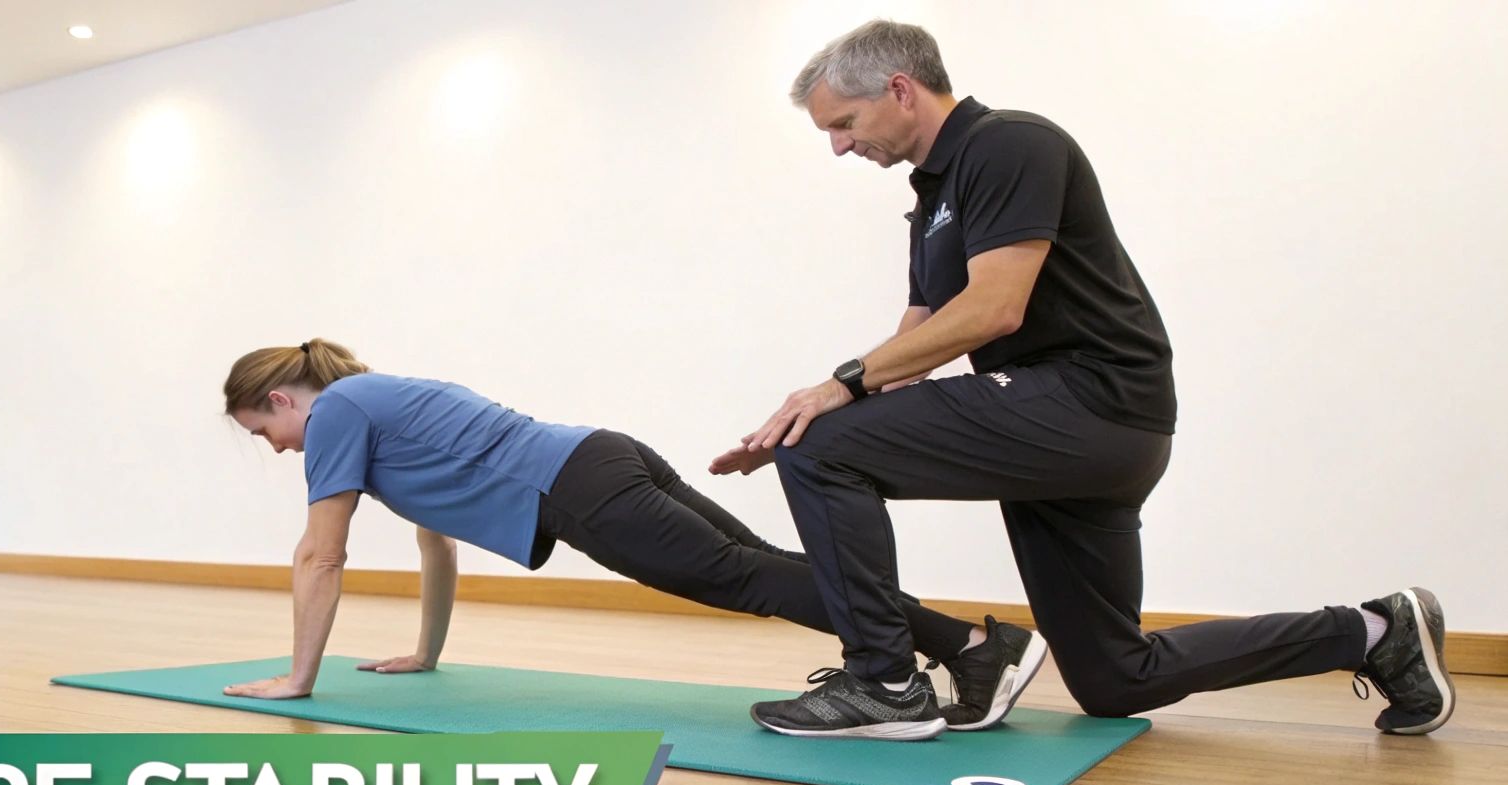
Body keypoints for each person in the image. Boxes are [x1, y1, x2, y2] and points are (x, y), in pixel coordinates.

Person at [710, 19, 1453, 740]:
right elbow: (924, 334)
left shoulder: (1009, 144)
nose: (840, 147)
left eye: (843, 123)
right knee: (1114, 680)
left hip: (1093, 401)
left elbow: (995, 309)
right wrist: (805, 421)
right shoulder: (932, 195)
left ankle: (884, 683)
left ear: (901, 89)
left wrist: (834, 402)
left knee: (826, 446)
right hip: (1065, 426)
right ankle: (1376, 630)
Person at [216, 339, 1045, 738]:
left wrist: (299, 680)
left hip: (578, 487)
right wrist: (426, 654)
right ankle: (974, 648)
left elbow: (320, 553)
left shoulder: (338, 412)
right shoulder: (377, 401)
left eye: (264, 432)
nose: (276, 448)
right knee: (764, 567)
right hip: (601, 455)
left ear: (286, 401)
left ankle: (953, 657)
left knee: (744, 579)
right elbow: (435, 543)